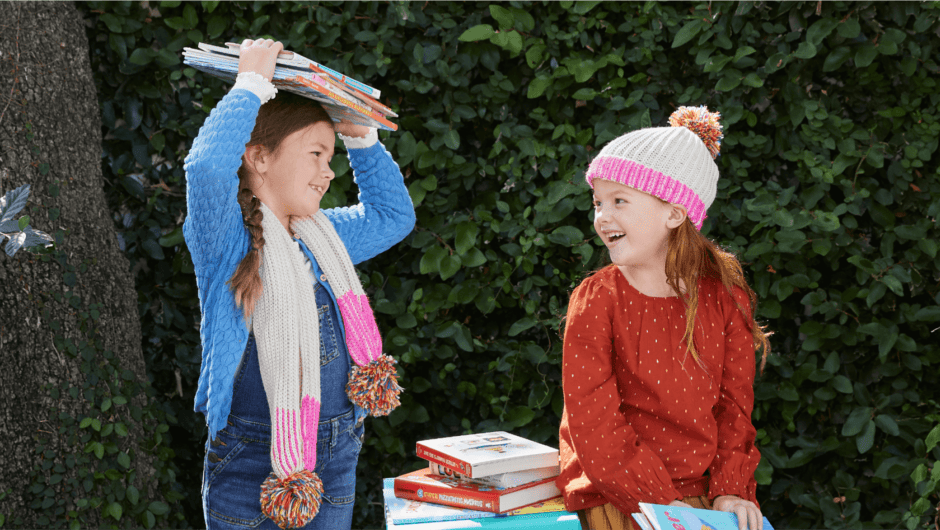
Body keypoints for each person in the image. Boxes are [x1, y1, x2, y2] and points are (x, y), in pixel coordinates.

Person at [183, 38, 415, 529]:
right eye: (316, 153)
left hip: (335, 451)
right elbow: (205, 168)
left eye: (330, 157)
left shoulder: (324, 236)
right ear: (259, 158)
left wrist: (362, 141)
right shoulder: (227, 242)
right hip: (249, 459)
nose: (328, 172)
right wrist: (251, 85)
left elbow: (393, 216)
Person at [556, 107, 771, 530]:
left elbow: (734, 409)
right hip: (617, 492)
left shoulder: (726, 299)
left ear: (674, 213)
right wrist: (668, 510)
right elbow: (595, 426)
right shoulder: (597, 300)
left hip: (703, 493)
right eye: (598, 202)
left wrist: (731, 487)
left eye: (620, 201)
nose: (602, 216)